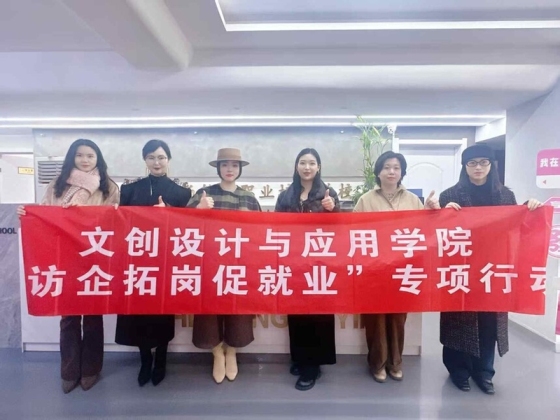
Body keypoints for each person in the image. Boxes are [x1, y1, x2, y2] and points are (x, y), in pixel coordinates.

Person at [17, 139, 119, 393]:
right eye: (79, 155)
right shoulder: (57, 184)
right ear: (72, 158)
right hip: (63, 257)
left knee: (93, 317)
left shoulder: (108, 186)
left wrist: (82, 214)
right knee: (68, 317)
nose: (85, 160)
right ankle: (69, 370)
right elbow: (45, 215)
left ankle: (91, 369)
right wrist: (28, 215)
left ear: (98, 159)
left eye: (90, 156)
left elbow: (113, 221)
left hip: (94, 258)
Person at [439, 144, 542, 395]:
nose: (478, 167)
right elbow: (438, 233)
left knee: (488, 322)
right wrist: (441, 213)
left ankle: (484, 372)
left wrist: (530, 209)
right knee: (459, 320)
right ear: (464, 166)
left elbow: (517, 227)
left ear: (491, 165)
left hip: (493, 268)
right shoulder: (450, 195)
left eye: (483, 162)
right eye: (472, 163)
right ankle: (459, 370)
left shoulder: (505, 196)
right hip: (461, 268)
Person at [353, 151, 440, 383]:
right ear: (378, 172)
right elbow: (354, 233)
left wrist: (430, 211)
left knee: (397, 318)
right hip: (374, 269)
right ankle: (377, 363)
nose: (391, 172)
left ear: (402, 172)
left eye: (396, 168)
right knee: (375, 318)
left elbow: (424, 231)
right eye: (387, 167)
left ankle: (395, 362)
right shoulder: (365, 200)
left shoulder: (412, 200)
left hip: (403, 268)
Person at [114, 139, 191, 387]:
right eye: (151, 157)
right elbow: (119, 224)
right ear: (145, 160)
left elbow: (189, 229)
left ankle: (162, 360)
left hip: (166, 261)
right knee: (138, 313)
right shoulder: (129, 189)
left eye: (161, 157)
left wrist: (168, 213)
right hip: (135, 261)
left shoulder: (182, 192)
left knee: (162, 313)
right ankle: (145, 359)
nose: (156, 162)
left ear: (168, 159)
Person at [187, 148, 261, 384]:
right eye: (225, 165)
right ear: (218, 168)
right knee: (209, 311)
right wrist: (198, 210)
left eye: (234, 165)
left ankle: (232, 351)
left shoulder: (249, 197)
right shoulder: (204, 193)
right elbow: (181, 224)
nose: (230, 169)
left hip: (239, 264)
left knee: (237, 310)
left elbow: (260, 234)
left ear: (240, 169)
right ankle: (217, 352)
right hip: (209, 263)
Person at [274, 147, 340, 391]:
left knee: (318, 315)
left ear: (318, 167)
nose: (307, 167)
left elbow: (340, 229)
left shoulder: (328, 194)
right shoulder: (286, 196)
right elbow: (275, 227)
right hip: (294, 263)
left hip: (319, 264)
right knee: (297, 314)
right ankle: (300, 358)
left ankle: (313, 366)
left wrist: (333, 210)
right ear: (296, 166)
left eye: (312, 163)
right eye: (303, 162)